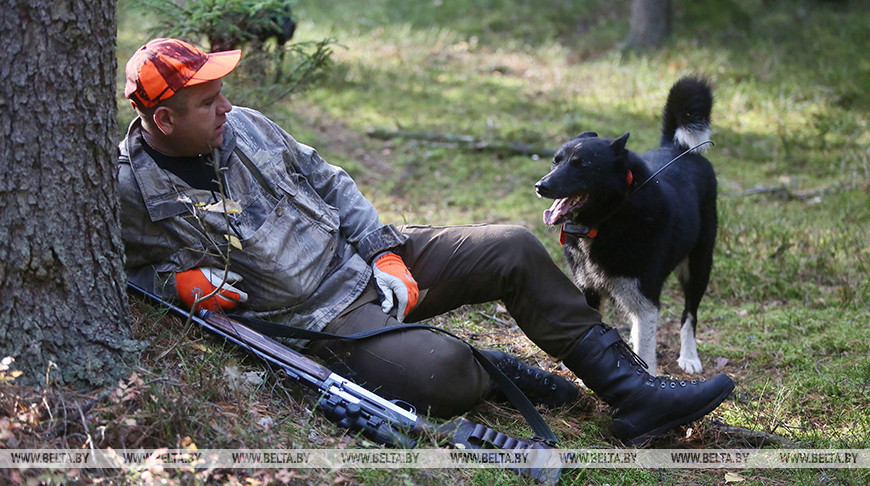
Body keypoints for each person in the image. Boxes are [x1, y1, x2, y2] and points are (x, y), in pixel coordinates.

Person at [118, 38, 734, 446]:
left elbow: (328, 180)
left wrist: (383, 249)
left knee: (513, 246)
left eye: (222, 91)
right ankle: (492, 372)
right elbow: (109, 270)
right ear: (164, 120)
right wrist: (175, 285)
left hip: (366, 260)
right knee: (447, 376)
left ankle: (635, 396)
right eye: (207, 101)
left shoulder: (244, 124)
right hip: (321, 321)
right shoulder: (129, 190)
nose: (225, 106)